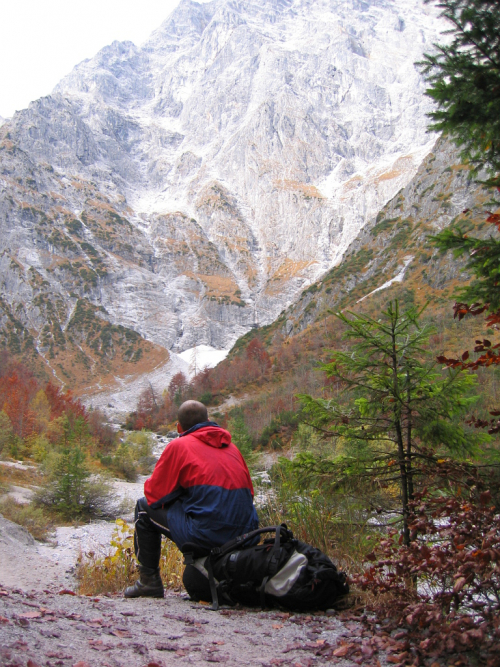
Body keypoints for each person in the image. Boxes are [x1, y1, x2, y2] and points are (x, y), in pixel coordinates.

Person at [124, 400, 259, 598]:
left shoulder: (179, 445)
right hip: (247, 538)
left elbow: (153, 495)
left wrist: (178, 493)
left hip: (208, 537)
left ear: (179, 428)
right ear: (209, 421)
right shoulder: (232, 448)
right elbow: (249, 496)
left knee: (143, 508)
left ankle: (148, 582)